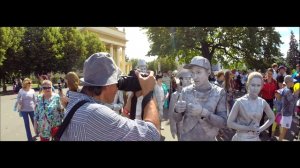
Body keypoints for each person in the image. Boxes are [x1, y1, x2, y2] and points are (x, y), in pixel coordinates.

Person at [60, 52, 160, 141]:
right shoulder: (94, 113)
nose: (118, 88)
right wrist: (148, 92)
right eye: (116, 81)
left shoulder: (75, 103)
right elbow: (152, 134)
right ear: (108, 84)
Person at [173, 56, 227, 141]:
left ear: (208, 72)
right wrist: (176, 110)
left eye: (198, 72)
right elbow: (177, 119)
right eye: (192, 73)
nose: (194, 77)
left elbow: (223, 123)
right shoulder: (185, 91)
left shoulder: (219, 93)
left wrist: (203, 112)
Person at [227, 72, 275, 141]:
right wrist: (249, 128)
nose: (255, 88)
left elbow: (272, 117)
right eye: (253, 85)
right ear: (248, 85)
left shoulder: (262, 102)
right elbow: (229, 123)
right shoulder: (240, 102)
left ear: (261, 86)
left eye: (258, 85)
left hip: (255, 138)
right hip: (241, 138)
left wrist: (260, 129)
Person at [169, 69, 192, 140]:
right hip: (181, 126)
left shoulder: (194, 93)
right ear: (181, 80)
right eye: (186, 79)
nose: (188, 81)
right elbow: (171, 113)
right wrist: (173, 128)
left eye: (189, 79)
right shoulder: (175, 95)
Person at [278, 75, 299, 141]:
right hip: (287, 113)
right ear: (288, 82)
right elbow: (292, 101)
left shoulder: (286, 90)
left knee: (284, 130)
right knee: (284, 131)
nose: (293, 83)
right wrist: (296, 93)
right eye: (292, 81)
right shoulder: (287, 91)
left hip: (286, 113)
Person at [259, 68, 277, 138]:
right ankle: (260, 131)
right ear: (266, 73)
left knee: (271, 116)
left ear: (272, 74)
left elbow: (276, 91)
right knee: (262, 117)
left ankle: (270, 132)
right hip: (263, 100)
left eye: (271, 74)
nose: (269, 75)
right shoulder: (263, 81)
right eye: (268, 73)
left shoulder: (275, 82)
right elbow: (260, 90)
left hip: (271, 101)